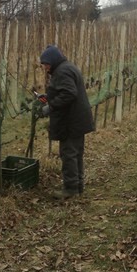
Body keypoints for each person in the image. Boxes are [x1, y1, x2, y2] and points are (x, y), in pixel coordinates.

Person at [39, 45, 95, 199]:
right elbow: (65, 90)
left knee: (68, 154)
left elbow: (69, 93)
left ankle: (70, 189)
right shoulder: (68, 67)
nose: (45, 67)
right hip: (78, 119)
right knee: (77, 153)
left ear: (53, 60)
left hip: (71, 121)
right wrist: (49, 96)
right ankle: (78, 186)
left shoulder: (62, 71)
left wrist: (51, 106)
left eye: (46, 64)